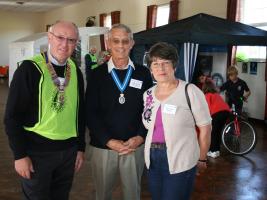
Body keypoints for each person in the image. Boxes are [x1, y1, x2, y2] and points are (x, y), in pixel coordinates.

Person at [4, 21, 85, 200]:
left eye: (71, 40)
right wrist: (20, 155)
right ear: (49, 37)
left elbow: (80, 112)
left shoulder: (75, 71)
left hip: (68, 152)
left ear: (76, 43)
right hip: (37, 153)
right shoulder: (29, 69)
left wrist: (80, 148)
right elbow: (12, 117)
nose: (65, 44)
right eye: (60, 38)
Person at [86, 24, 153, 200]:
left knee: (133, 193)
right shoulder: (97, 75)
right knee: (102, 194)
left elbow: (150, 109)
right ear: (108, 43)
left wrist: (140, 137)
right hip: (103, 147)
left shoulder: (143, 73)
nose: (121, 45)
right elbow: (90, 113)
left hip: (134, 146)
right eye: (116, 41)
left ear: (132, 43)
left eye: (125, 41)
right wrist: (108, 141)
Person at [142, 42, 212, 200]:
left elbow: (206, 128)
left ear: (174, 66)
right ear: (151, 68)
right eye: (156, 64)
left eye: (165, 63)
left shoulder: (190, 91)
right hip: (152, 158)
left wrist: (202, 157)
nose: (161, 68)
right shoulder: (148, 95)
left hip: (181, 157)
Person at [203, 81, 231, 158]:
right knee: (218, 132)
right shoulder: (216, 95)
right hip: (226, 113)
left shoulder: (207, 95)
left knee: (213, 132)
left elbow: (207, 108)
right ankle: (217, 150)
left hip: (217, 114)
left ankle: (213, 151)